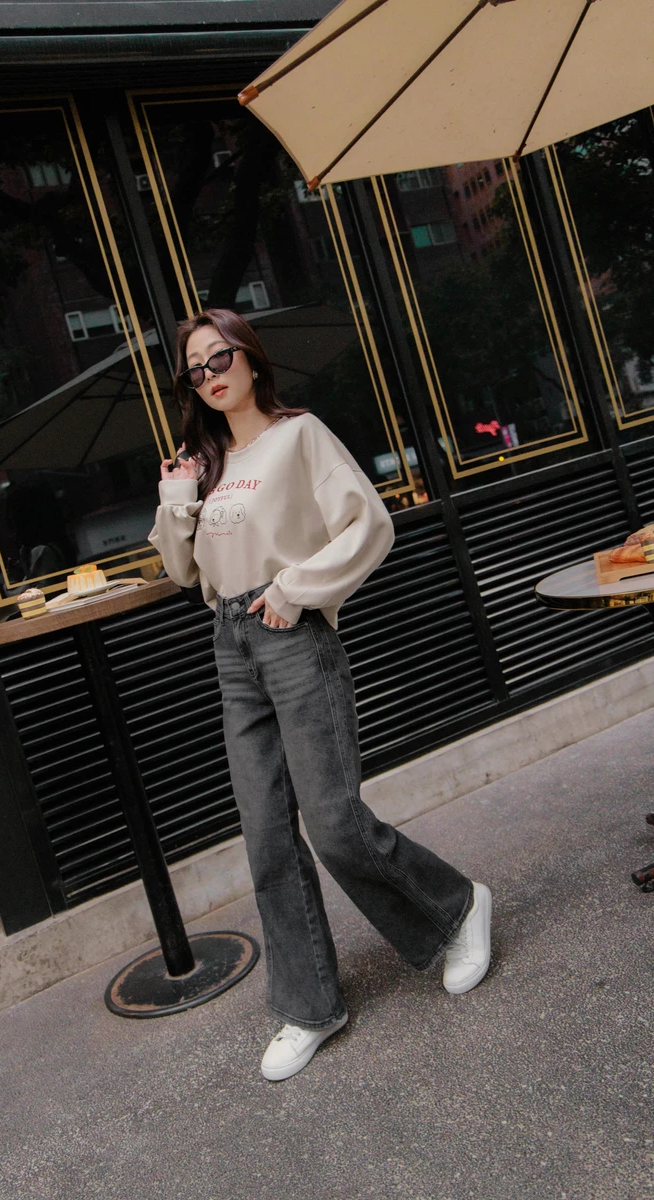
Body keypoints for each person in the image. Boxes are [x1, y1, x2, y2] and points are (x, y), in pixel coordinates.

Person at [149, 308, 492, 1082]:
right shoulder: (203, 465)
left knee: (333, 823)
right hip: (231, 647)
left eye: (219, 357)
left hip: (292, 636)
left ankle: (458, 906)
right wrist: (176, 498)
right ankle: (308, 1006)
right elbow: (183, 572)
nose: (209, 375)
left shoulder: (299, 436)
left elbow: (369, 525)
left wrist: (296, 587)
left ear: (251, 357)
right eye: (194, 369)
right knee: (267, 838)